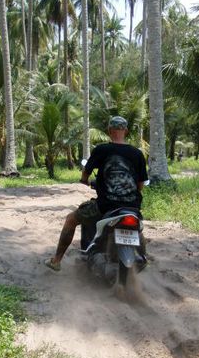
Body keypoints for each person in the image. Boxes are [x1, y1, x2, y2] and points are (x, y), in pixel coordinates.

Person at [45, 116, 148, 271]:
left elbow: (85, 174)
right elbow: (140, 185)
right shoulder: (137, 154)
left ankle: (56, 261)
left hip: (105, 207)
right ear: (125, 131)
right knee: (139, 230)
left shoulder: (102, 150)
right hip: (132, 208)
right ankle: (142, 260)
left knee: (71, 219)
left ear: (109, 131)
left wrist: (85, 180)